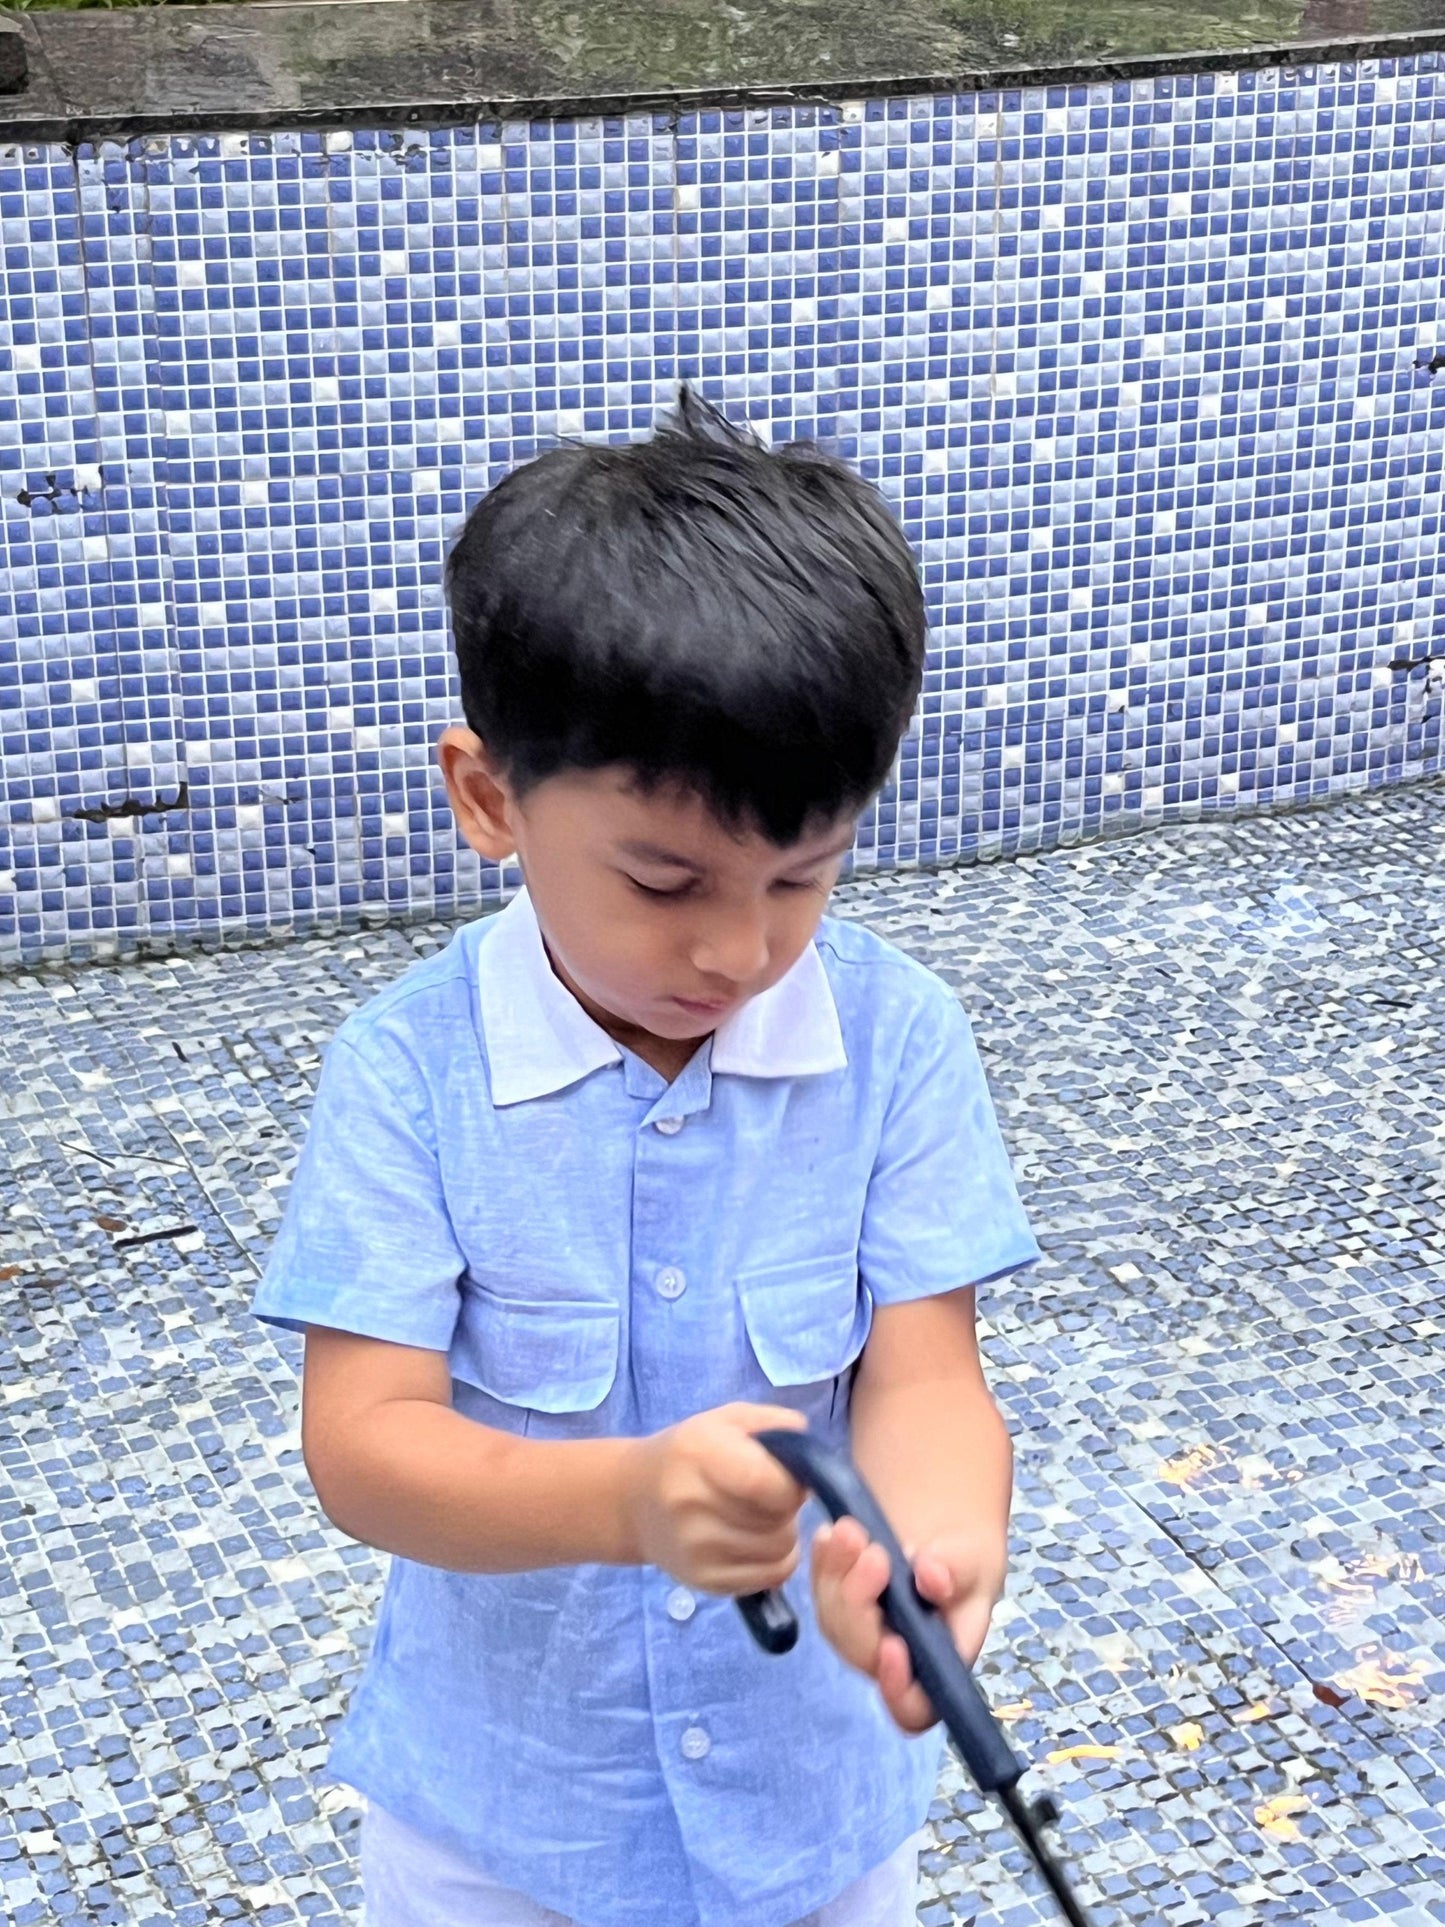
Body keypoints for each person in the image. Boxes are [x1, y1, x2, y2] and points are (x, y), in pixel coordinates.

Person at [252, 391, 1040, 1927]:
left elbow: (926, 1376)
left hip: (811, 1814)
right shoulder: (408, 1072)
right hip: (504, 1835)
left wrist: (937, 1543)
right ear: (490, 798)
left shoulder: (898, 1040)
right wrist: (626, 1499)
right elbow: (364, 1445)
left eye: (802, 876)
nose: (739, 949)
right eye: (664, 878)